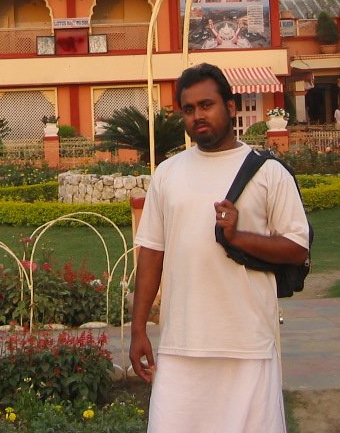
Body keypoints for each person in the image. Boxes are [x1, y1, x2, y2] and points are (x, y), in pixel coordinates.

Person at [130, 63, 309, 432]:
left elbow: (297, 248)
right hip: (181, 345)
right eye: (189, 109)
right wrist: (138, 329)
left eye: (207, 105)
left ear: (230, 106)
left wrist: (238, 237)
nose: (198, 116)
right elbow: (151, 253)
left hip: (247, 345)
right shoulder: (168, 173)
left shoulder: (268, 172)